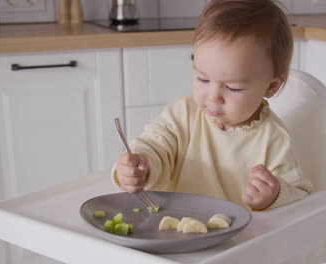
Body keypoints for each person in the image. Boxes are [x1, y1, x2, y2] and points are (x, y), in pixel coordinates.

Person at [111, 0, 312, 210]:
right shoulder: (182, 114)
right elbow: (155, 145)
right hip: (174, 229)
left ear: (270, 87)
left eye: (233, 88)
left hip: (242, 240)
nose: (213, 98)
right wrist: (140, 166)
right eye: (203, 79)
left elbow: (299, 193)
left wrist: (275, 195)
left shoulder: (274, 139)